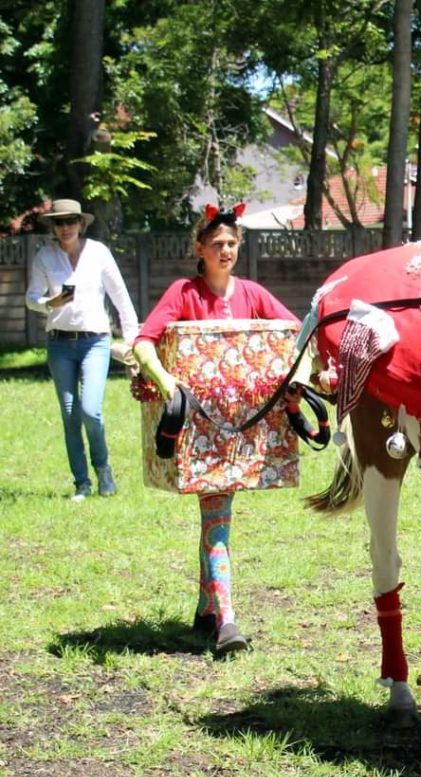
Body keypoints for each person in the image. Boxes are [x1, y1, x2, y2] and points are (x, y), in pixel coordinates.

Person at [132, 204, 299, 656]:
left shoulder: (252, 292)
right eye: (217, 244)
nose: (225, 251)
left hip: (244, 428)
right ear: (199, 249)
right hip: (200, 429)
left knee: (217, 517)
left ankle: (207, 610)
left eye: (232, 243)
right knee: (217, 517)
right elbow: (145, 341)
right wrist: (167, 383)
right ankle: (226, 620)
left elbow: (292, 333)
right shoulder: (184, 292)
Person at [25, 198, 140, 502]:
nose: (65, 228)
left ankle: (103, 469)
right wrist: (47, 303)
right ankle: (82, 483)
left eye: (71, 222)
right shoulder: (44, 257)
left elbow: (120, 295)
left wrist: (133, 339)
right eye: (59, 223)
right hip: (60, 343)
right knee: (69, 414)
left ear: (81, 224)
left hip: (95, 341)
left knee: (91, 410)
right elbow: (30, 297)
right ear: (54, 227)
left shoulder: (98, 252)